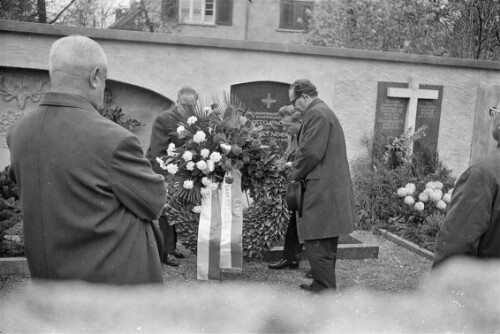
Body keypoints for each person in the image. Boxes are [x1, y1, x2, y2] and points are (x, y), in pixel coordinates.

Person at [7, 35, 167, 284]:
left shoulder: (18, 132)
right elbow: (154, 201)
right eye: (104, 80)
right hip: (111, 287)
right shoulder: (114, 139)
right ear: (95, 76)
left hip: (49, 281)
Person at [288, 79, 355, 293]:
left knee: (317, 240)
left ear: (305, 97)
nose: (293, 106)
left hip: (322, 188)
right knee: (324, 241)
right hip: (328, 186)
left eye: (294, 101)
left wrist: (293, 174)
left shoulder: (316, 114)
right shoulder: (322, 111)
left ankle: (324, 291)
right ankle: (321, 284)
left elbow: (310, 152)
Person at [433, 107, 500, 268]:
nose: (494, 116)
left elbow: (456, 248)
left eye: (495, 111)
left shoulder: (483, 175)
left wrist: (442, 290)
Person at [146, 86, 199, 266]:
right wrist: (168, 178)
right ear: (177, 102)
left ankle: (172, 246)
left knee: (176, 211)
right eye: (185, 105)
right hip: (165, 171)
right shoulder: (164, 119)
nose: (189, 109)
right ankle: (165, 252)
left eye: (193, 106)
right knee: (166, 212)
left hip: (182, 174)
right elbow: (158, 153)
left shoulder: (194, 121)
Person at [269, 105, 304, 271]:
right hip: (294, 186)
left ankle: (299, 260)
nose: (284, 128)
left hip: (305, 187)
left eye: (287, 125)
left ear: (300, 121)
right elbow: (286, 157)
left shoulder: (306, 137)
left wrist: (290, 165)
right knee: (294, 224)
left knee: (302, 225)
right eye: (282, 125)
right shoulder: (293, 136)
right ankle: (291, 258)